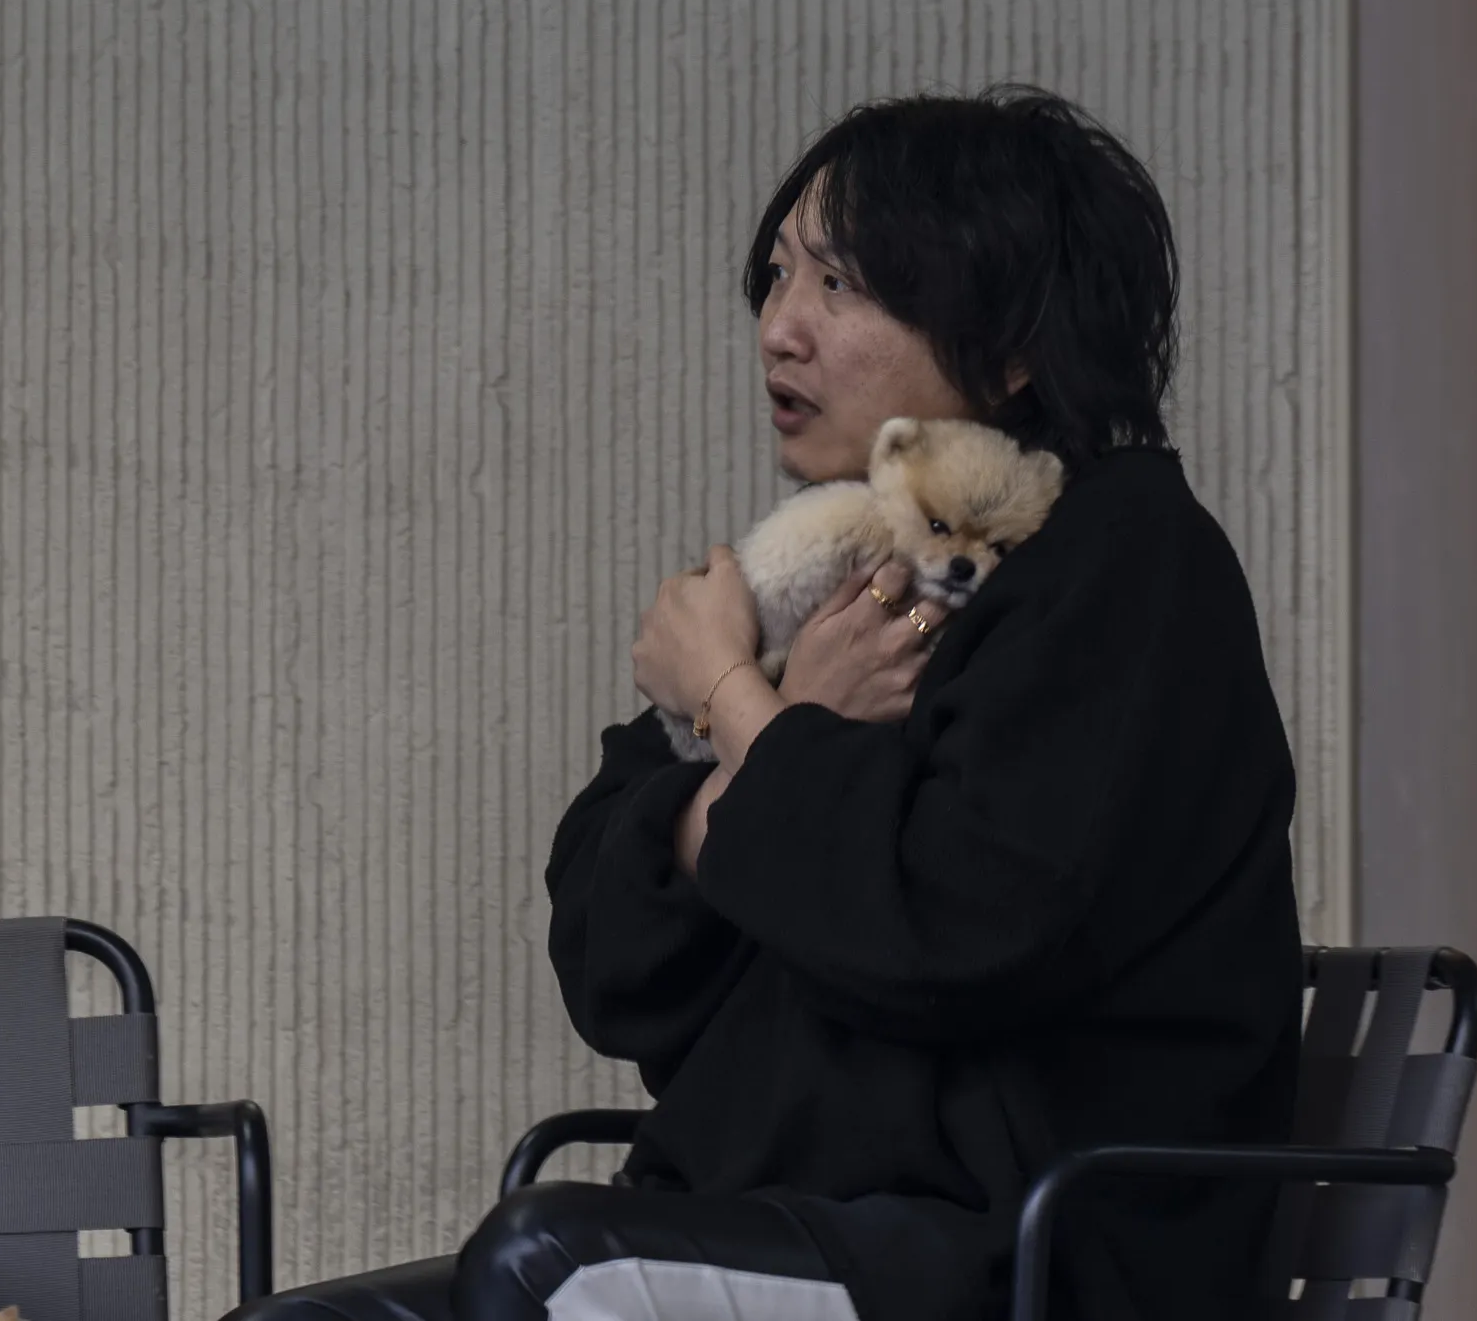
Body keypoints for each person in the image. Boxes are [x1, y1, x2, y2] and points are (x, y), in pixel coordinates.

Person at [265, 89, 1301, 1321]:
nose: (778, 330)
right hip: (799, 1212)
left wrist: (737, 705)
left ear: (1016, 343)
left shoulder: (1127, 560)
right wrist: (763, 729)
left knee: (553, 1267)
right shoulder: (825, 571)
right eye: (775, 277)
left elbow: (948, 929)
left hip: (1027, 1245)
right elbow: (613, 972)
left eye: (841, 285)